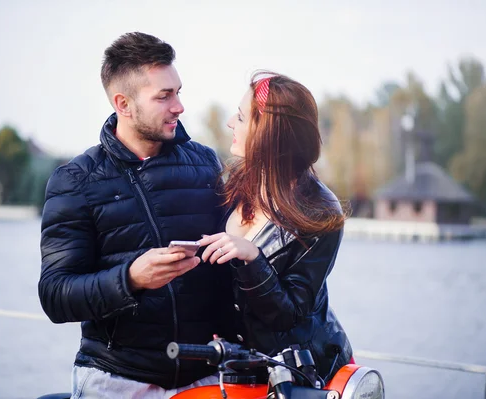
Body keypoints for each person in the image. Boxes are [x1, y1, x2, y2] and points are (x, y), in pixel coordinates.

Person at [38, 32, 232, 398]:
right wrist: (130, 278)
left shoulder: (206, 164)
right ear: (123, 104)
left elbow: (231, 271)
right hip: (116, 381)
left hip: (206, 378)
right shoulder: (75, 181)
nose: (179, 106)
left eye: (178, 91)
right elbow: (55, 294)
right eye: (164, 96)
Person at [199, 72, 354, 383]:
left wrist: (252, 258)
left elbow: (289, 314)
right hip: (242, 367)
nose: (231, 122)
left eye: (242, 118)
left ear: (269, 134)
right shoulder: (236, 184)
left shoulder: (321, 212)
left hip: (304, 373)